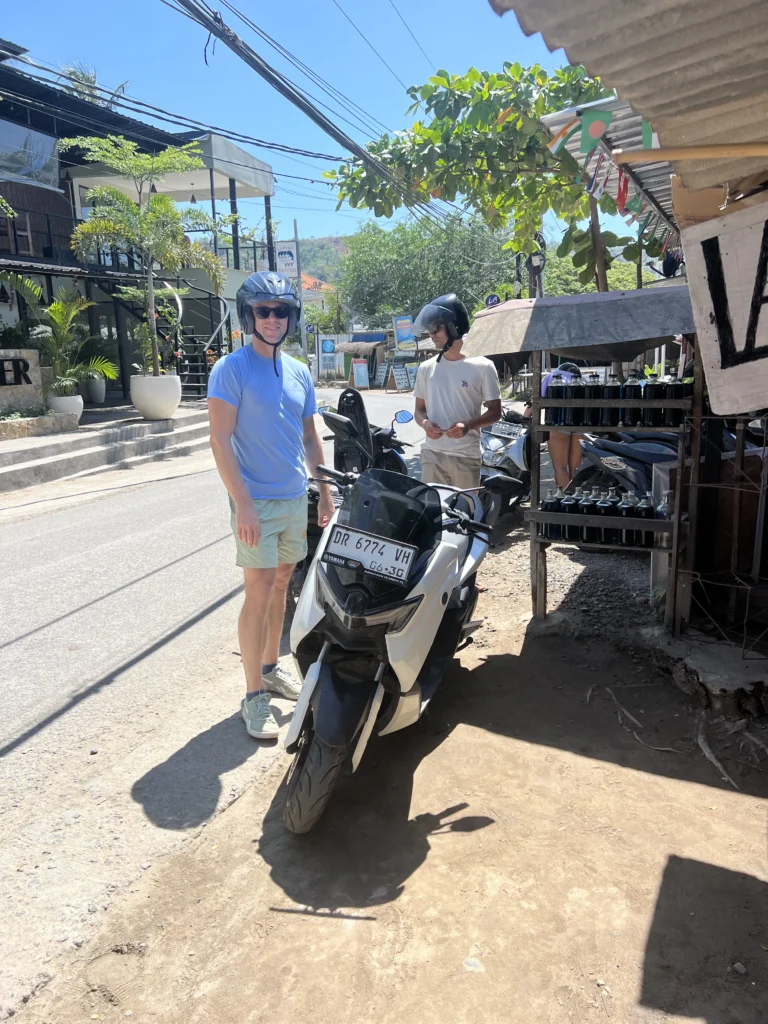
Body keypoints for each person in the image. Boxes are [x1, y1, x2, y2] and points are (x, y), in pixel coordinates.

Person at [208, 271, 334, 741]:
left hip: (292, 494)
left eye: (281, 311)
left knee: (284, 580)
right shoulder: (232, 369)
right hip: (254, 500)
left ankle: (271, 667)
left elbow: (308, 434)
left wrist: (323, 491)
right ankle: (252, 695)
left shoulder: (299, 370)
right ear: (249, 316)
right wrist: (242, 504)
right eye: (264, 310)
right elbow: (219, 440)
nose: (273, 319)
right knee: (257, 588)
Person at [413, 293, 501, 489]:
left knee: (466, 514)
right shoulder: (426, 368)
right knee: (433, 516)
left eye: (436, 327)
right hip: (432, 455)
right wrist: (425, 424)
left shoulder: (483, 366)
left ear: (454, 326)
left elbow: (495, 412)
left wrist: (468, 426)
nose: (432, 334)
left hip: (466, 456)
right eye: (428, 329)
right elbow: (418, 410)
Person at [540, 361, 583, 489]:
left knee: (560, 467)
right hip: (581, 424)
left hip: (558, 423)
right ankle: (578, 500)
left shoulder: (550, 377)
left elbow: (541, 399)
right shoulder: (583, 381)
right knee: (576, 468)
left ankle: (565, 501)